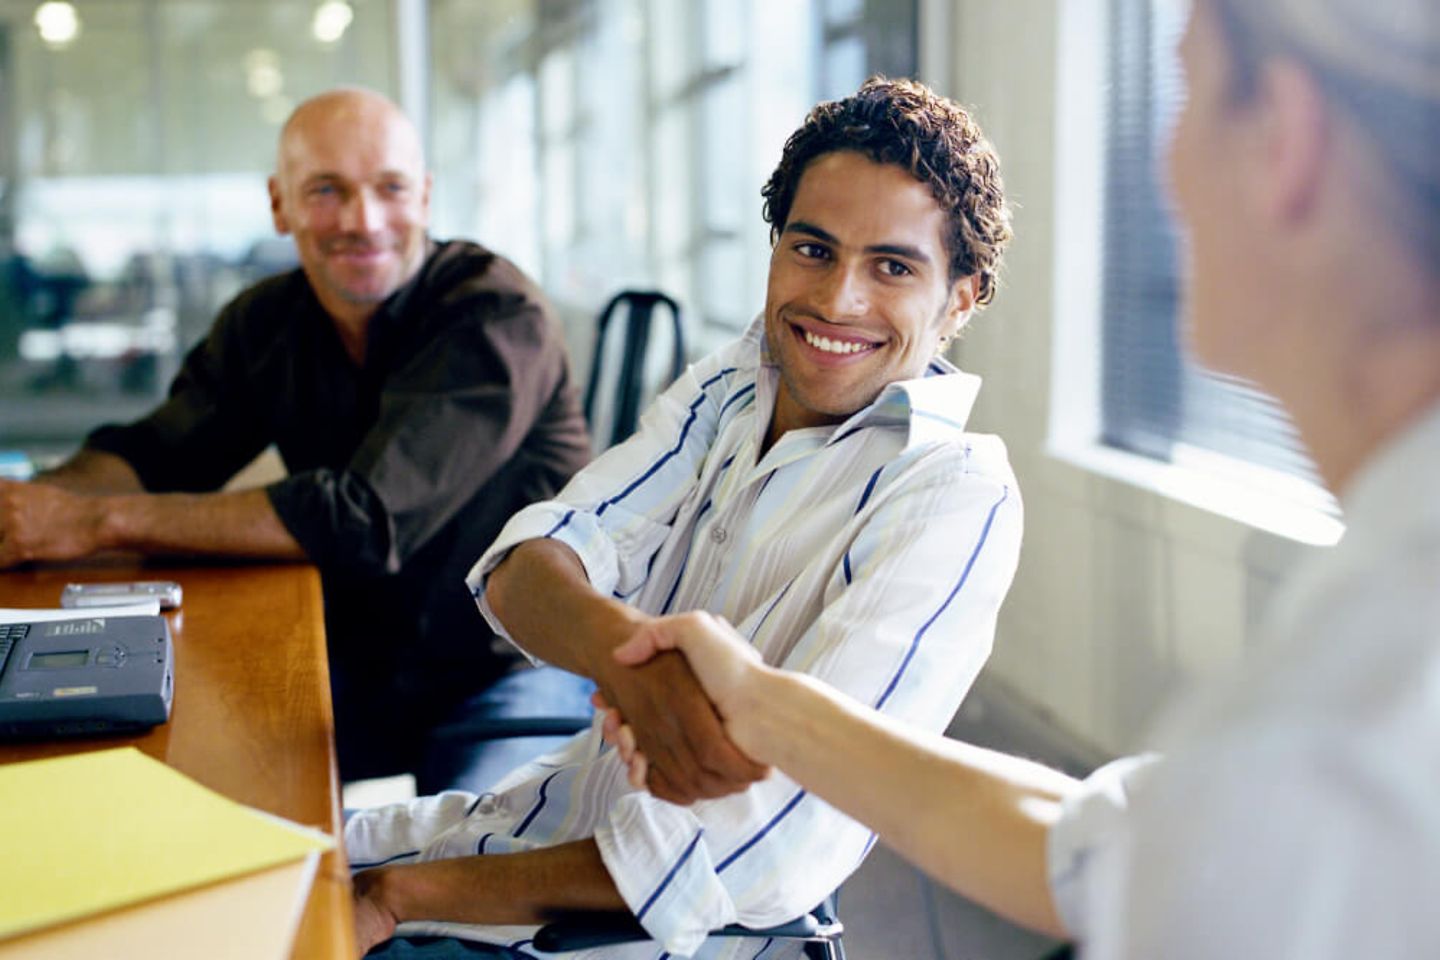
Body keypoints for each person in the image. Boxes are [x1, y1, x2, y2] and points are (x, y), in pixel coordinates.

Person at [600, 0, 1440, 956]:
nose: (1159, 168)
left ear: (1285, 143)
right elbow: (1095, 850)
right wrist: (762, 703)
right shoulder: (1386, 589)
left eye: (1186, 95)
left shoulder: (1380, 676)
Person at [344, 77, 1021, 958]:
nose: (839, 299)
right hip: (543, 825)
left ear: (962, 297)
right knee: (240, 855)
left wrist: (402, 892)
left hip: (664, 939)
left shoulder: (952, 496)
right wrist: (632, 667)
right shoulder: (736, 385)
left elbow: (757, 848)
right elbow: (526, 563)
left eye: (893, 266)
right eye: (813, 249)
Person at [0, 88, 594, 795]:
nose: (361, 221)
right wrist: (31, 510)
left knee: (457, 877)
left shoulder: (496, 313)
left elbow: (360, 519)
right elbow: (152, 453)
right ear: (279, 205)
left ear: (426, 197)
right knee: (166, 783)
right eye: (326, 190)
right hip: (355, 655)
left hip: (505, 667)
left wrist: (89, 522)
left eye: (390, 188)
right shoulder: (268, 320)